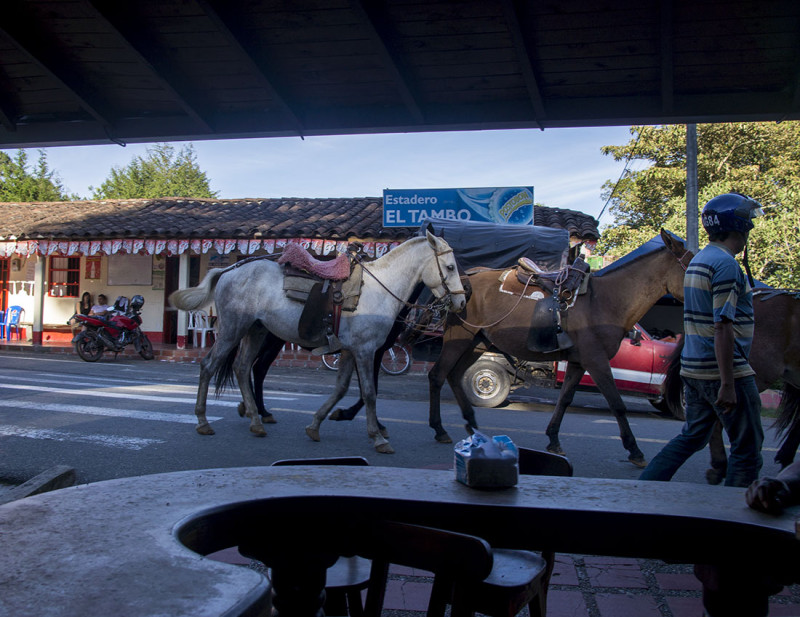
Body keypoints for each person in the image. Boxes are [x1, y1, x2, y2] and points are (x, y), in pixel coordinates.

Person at [639, 192, 764, 487]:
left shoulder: (700, 261)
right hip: (722, 370)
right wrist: (728, 383)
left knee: (693, 437)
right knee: (747, 450)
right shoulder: (726, 266)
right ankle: (734, 517)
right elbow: (722, 326)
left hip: (693, 368)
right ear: (739, 226)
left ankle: (642, 488)